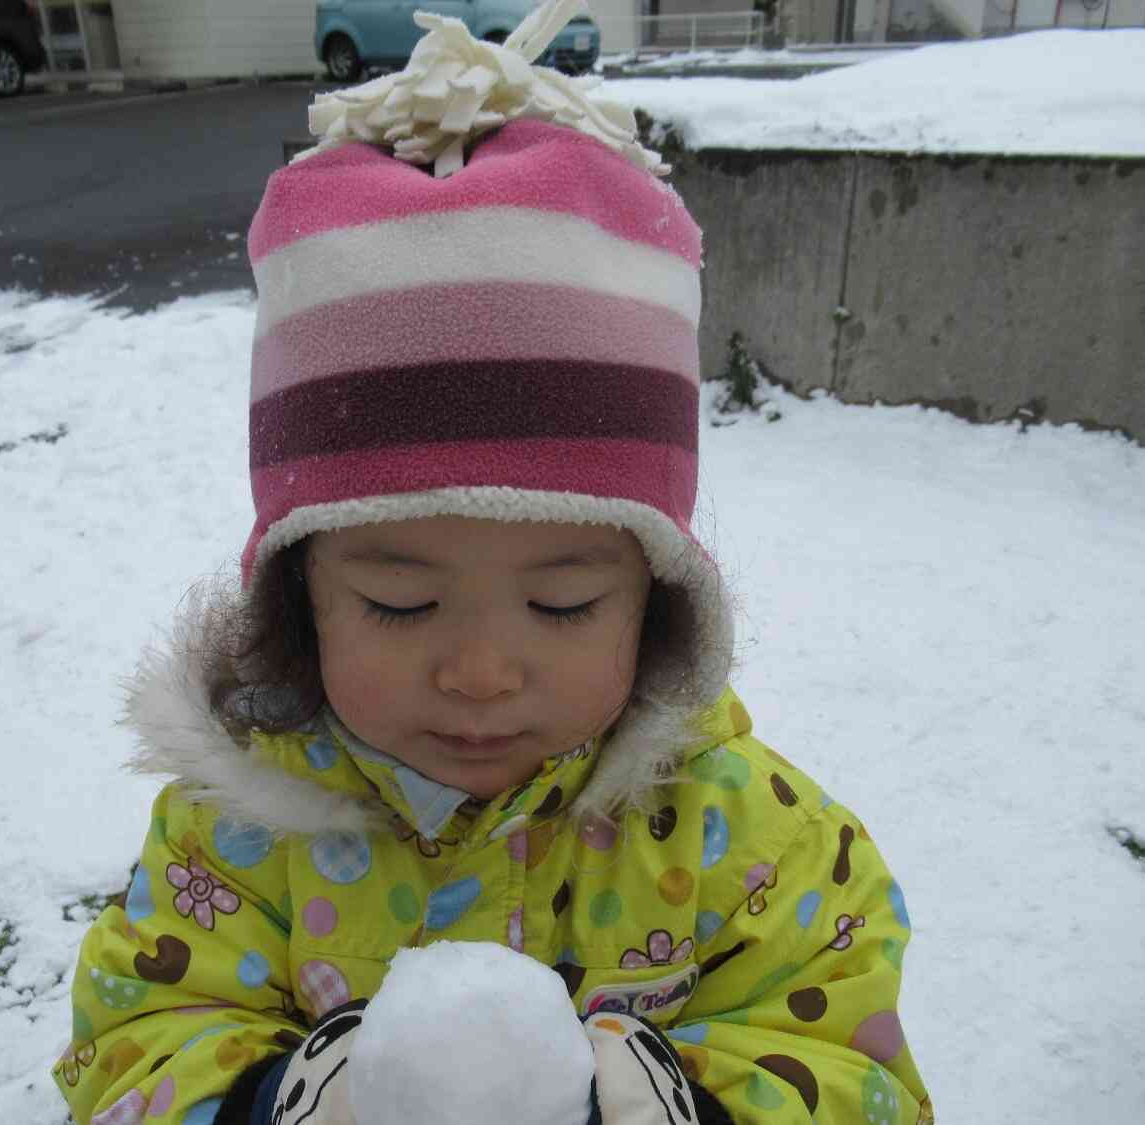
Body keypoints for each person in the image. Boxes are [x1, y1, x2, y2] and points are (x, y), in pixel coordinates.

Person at [52, 5, 931, 1124]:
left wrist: (683, 1107)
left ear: (656, 601)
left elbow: (851, 1063)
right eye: (398, 601)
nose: (479, 671)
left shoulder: (744, 840)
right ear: (300, 595)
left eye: (562, 603)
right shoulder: (241, 834)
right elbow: (134, 1041)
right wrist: (279, 1100)